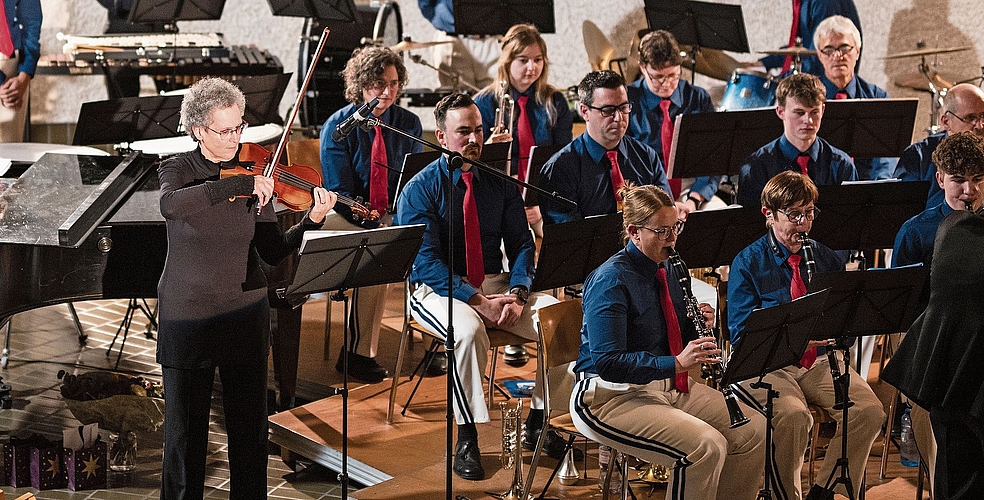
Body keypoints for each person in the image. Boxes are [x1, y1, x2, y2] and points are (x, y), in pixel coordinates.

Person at [157, 78, 335, 499]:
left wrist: (311, 221)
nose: (236, 139)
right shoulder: (178, 168)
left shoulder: (259, 173)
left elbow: (273, 251)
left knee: (250, 439)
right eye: (225, 131)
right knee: (185, 441)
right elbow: (171, 205)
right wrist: (238, 184)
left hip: (244, 313)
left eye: (239, 128)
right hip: (190, 316)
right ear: (199, 130)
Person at [395, 93, 563, 480]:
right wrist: (477, 301)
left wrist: (519, 293)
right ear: (441, 136)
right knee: (468, 330)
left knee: (560, 317)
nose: (474, 139)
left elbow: (522, 244)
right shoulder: (420, 189)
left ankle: (538, 421)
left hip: (495, 284)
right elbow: (425, 262)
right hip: (436, 290)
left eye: (478, 130)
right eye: (463, 132)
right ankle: (467, 436)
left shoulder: (499, 183)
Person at [570, 183, 766, 500]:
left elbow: (674, 333)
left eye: (675, 227)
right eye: (661, 231)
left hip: (666, 387)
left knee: (753, 429)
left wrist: (698, 326)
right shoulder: (610, 280)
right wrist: (676, 362)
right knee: (706, 446)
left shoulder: (673, 267)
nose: (672, 238)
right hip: (608, 398)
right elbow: (608, 363)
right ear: (634, 231)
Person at [728, 171, 885, 500]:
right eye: (794, 215)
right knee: (794, 416)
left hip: (817, 361)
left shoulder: (825, 256)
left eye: (809, 212)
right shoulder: (747, 262)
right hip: (768, 364)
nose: (804, 223)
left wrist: (842, 327)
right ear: (768, 214)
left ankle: (824, 490)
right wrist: (794, 338)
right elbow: (742, 334)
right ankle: (787, 496)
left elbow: (844, 320)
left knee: (869, 410)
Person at [319, 46, 424, 383]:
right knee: (376, 248)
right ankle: (357, 354)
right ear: (362, 84)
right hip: (344, 215)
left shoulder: (407, 123)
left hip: (392, 213)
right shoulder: (338, 126)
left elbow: (414, 181)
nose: (388, 91)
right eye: (380, 83)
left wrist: (400, 215)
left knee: (433, 235)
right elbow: (339, 191)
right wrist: (371, 217)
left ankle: (433, 341)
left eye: (394, 83)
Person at [889, 131, 984, 494]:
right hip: (934, 349)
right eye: (959, 180)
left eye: (977, 179)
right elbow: (903, 307)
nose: (969, 191)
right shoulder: (917, 231)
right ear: (940, 178)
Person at [539, 70, 673, 225]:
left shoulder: (647, 157)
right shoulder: (560, 169)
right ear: (585, 111)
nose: (618, 118)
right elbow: (569, 238)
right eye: (608, 110)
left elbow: (665, 216)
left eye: (623, 108)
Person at [473, 23, 573, 199]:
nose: (532, 67)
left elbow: (563, 156)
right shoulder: (483, 102)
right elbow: (473, 162)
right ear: (507, 62)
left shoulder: (555, 101)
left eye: (538, 60)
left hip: (544, 190)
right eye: (523, 60)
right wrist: (489, 147)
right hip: (499, 192)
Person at [627, 29, 722, 210]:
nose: (667, 83)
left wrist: (693, 200)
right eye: (658, 77)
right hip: (646, 188)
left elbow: (712, 158)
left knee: (724, 217)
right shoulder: (628, 100)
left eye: (673, 75)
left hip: (690, 188)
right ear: (642, 68)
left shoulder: (697, 98)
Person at [736, 73, 857, 208]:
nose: (808, 121)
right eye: (799, 113)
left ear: (823, 110)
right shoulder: (757, 166)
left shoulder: (841, 164)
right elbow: (750, 224)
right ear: (780, 112)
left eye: (814, 112)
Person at [813, 15, 895, 180]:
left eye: (844, 48)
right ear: (820, 56)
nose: (837, 56)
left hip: (867, 185)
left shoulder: (877, 97)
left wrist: (880, 185)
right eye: (828, 50)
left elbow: (886, 156)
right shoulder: (810, 98)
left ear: (857, 51)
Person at [894, 84, 984, 209]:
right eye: (970, 118)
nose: (980, 126)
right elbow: (902, 209)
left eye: (983, 116)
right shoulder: (918, 156)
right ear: (946, 121)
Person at [758, 0, 861, 77]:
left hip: (827, 91)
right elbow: (802, 48)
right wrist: (763, 63)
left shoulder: (825, 3)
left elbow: (818, 58)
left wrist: (785, 80)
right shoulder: (804, 3)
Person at [418, 0, 500, 92]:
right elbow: (425, 4)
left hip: (494, 40)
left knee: (497, 99)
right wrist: (439, 17)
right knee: (454, 102)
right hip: (452, 39)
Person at [0, 0, 41, 143]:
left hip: (14, 66)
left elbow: (32, 23)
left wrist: (24, 74)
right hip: (6, 75)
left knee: (11, 148)